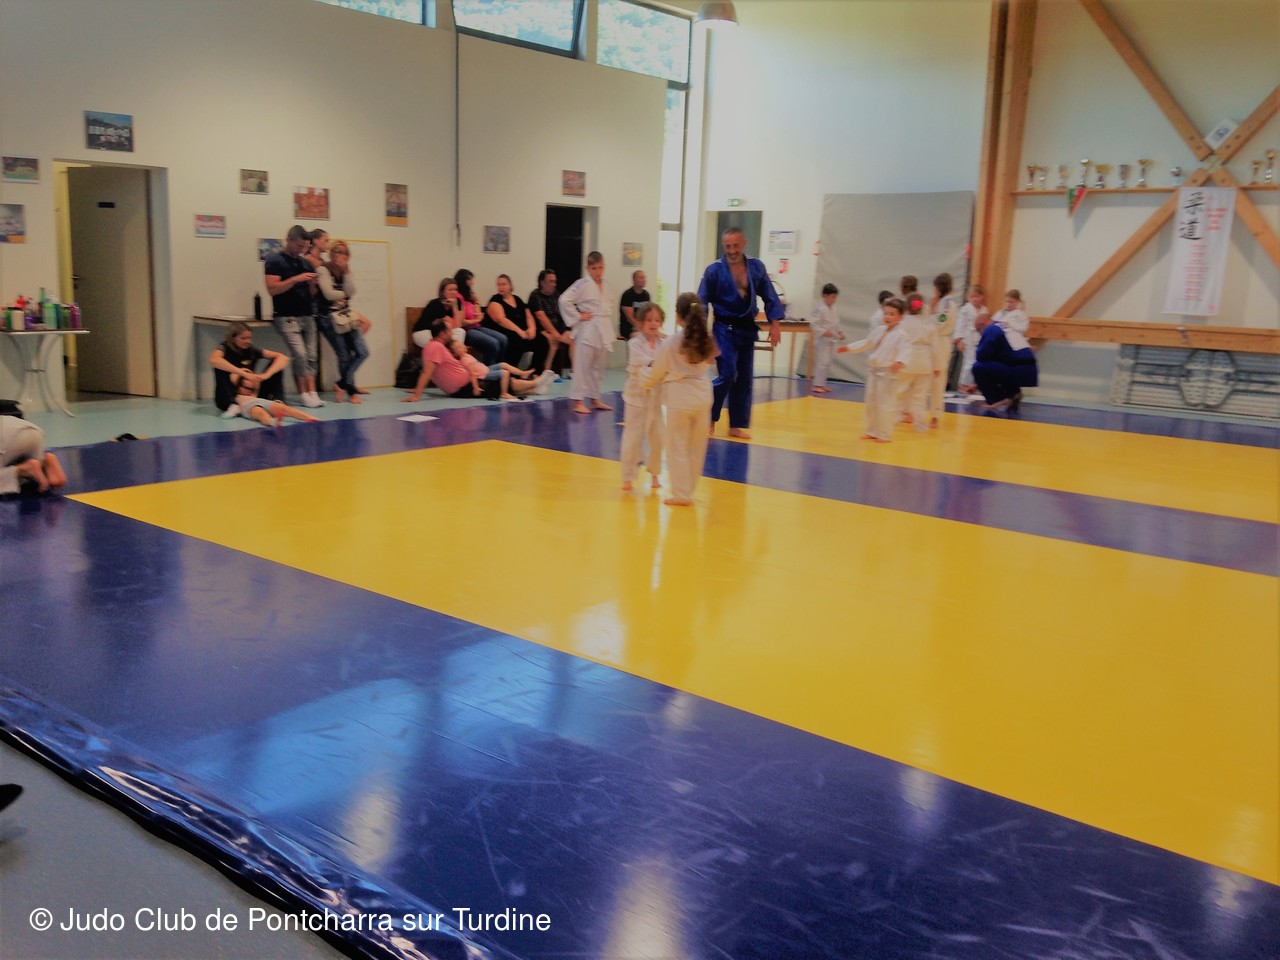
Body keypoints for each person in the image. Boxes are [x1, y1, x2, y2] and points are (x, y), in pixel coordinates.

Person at [697, 227, 785, 439]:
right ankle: (709, 415)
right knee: (728, 374)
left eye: (736, 246)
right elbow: (701, 302)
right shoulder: (714, 270)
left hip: (746, 327)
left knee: (744, 378)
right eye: (728, 246)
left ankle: (736, 425)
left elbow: (770, 295)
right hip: (723, 328)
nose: (732, 250)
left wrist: (775, 324)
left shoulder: (756, 267)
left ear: (744, 244)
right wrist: (702, 335)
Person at [645, 294, 717, 506]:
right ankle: (688, 491)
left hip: (679, 397)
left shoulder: (672, 342)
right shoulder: (706, 339)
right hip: (703, 395)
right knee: (697, 448)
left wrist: (643, 380)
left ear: (678, 316)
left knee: (677, 446)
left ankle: (681, 493)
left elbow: (657, 372)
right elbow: (712, 363)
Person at [263, 224, 323, 407]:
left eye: (304, 247)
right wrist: (295, 279)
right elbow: (272, 289)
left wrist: (312, 284)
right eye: (298, 246)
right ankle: (303, 393)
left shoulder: (305, 263)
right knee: (300, 354)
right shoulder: (274, 261)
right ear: (288, 240)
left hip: (307, 314)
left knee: (312, 355)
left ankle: (313, 391)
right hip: (286, 315)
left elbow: (312, 294)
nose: (301, 250)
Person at [838, 297, 910, 442]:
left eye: (892, 314)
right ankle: (872, 431)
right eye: (886, 313)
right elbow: (867, 343)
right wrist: (849, 347)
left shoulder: (902, 335)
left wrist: (899, 362)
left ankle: (884, 434)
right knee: (871, 402)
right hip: (874, 371)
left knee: (885, 404)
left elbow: (906, 351)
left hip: (888, 373)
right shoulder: (879, 330)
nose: (887, 317)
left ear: (901, 317)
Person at [560, 251, 616, 414]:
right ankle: (578, 401)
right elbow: (564, 300)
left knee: (598, 367)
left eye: (600, 267)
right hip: (588, 328)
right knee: (582, 366)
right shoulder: (582, 283)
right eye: (594, 268)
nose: (598, 272)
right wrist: (578, 316)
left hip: (603, 328)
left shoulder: (606, 284)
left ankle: (595, 398)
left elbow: (609, 304)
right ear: (588, 268)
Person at [316, 240, 372, 403]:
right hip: (329, 317)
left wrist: (346, 272)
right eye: (339, 251)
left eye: (346, 253)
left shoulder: (346, 271)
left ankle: (341, 383)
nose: (343, 255)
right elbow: (328, 294)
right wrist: (345, 294)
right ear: (332, 253)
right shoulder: (323, 269)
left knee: (362, 351)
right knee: (343, 355)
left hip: (346, 315)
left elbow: (352, 291)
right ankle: (351, 391)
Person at [619, 302, 667, 492]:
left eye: (657, 320)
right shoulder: (635, 344)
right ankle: (628, 477)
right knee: (633, 438)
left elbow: (667, 363)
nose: (653, 323)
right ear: (640, 323)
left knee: (658, 438)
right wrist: (661, 364)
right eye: (649, 320)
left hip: (655, 399)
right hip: (636, 398)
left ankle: (655, 474)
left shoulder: (664, 344)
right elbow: (646, 364)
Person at [208, 321, 289, 418]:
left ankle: (278, 401)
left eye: (249, 338)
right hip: (230, 395)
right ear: (233, 338)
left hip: (252, 393)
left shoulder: (251, 350)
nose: (248, 341)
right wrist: (243, 373)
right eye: (243, 338)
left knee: (276, 366)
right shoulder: (224, 348)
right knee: (219, 366)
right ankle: (232, 405)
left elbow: (283, 358)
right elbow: (213, 360)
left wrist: (266, 375)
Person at [972, 309, 1038, 413]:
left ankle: (996, 399)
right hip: (1029, 370)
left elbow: (981, 355)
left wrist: (978, 382)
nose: (980, 334)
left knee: (978, 367)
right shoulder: (1004, 326)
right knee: (998, 364)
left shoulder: (991, 329)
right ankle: (1013, 394)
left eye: (978, 330)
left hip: (1017, 369)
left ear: (982, 324)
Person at [402, 319, 484, 402]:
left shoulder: (436, 346)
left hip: (469, 382)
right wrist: (416, 396)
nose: (452, 333)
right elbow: (426, 372)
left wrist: (417, 389)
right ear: (442, 334)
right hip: (467, 386)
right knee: (492, 382)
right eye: (450, 330)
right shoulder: (435, 346)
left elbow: (429, 371)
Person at [485, 274, 550, 372]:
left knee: (542, 340)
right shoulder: (495, 300)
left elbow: (528, 315)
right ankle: (512, 373)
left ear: (510, 285)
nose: (501, 287)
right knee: (516, 342)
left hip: (522, 331)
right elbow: (500, 319)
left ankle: (534, 371)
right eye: (499, 285)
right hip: (506, 331)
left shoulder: (517, 299)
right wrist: (520, 332)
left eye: (503, 284)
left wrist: (532, 329)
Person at [453, 340, 554, 401]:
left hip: (486, 368)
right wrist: (476, 388)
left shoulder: (467, 355)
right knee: (504, 373)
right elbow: (472, 374)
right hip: (484, 374)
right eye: (458, 347)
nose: (462, 346)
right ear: (455, 353)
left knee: (503, 364)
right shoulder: (465, 360)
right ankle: (504, 393)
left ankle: (523, 373)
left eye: (461, 344)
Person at [224, 370, 321, 426]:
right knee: (260, 413)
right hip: (248, 407)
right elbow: (232, 377)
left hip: (262, 401)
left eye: (251, 389)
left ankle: (309, 418)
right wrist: (244, 373)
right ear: (238, 387)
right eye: (246, 388)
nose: (249, 391)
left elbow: (256, 383)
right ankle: (271, 421)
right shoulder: (237, 397)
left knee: (285, 409)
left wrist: (252, 376)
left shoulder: (254, 394)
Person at [1, 416, 66, 496]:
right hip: (34, 432)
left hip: (8, 439)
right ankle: (44, 464)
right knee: (33, 475)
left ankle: (23, 470)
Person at [896, 294, 933, 433]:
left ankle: (893, 419)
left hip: (908, 360)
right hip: (925, 362)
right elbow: (934, 343)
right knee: (920, 397)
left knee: (898, 391)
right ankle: (921, 425)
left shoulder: (903, 323)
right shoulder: (927, 323)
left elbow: (897, 342)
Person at [454, 268, 506, 364]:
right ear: (463, 281)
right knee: (493, 343)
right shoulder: (458, 297)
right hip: (467, 330)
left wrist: (477, 304)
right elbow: (462, 322)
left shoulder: (470, 295)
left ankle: (499, 367)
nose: (472, 282)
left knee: (503, 339)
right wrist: (477, 320)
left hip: (477, 327)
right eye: (470, 279)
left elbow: (478, 313)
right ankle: (487, 369)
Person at [529, 269, 572, 378]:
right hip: (541, 329)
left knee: (574, 338)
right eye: (551, 281)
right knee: (552, 340)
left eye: (555, 281)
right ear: (542, 283)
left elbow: (563, 311)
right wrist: (554, 333)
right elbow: (541, 317)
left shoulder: (556, 294)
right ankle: (545, 371)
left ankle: (574, 371)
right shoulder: (535, 295)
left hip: (558, 327)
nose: (554, 284)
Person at [928, 272, 958, 427]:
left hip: (940, 343)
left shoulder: (947, 304)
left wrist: (932, 312)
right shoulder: (942, 302)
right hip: (935, 341)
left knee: (938, 380)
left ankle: (936, 416)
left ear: (939, 287)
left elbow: (940, 323)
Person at [809, 283, 846, 394]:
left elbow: (836, 323)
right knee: (822, 362)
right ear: (824, 296)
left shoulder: (834, 309)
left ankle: (822, 384)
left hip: (831, 339)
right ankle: (817, 385)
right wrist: (824, 332)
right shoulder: (820, 309)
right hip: (823, 340)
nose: (834, 300)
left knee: (828, 362)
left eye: (835, 297)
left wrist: (840, 332)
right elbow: (814, 324)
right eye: (832, 297)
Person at [952, 284, 988, 396]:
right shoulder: (965, 309)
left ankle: (974, 385)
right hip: (968, 339)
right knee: (969, 363)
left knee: (979, 363)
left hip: (980, 339)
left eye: (977, 296)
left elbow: (986, 325)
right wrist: (959, 340)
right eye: (973, 296)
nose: (975, 299)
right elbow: (960, 325)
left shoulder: (984, 309)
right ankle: (963, 385)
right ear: (968, 297)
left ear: (982, 296)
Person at [413, 277, 465, 348]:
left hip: (444, 332)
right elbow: (434, 325)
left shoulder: (457, 302)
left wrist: (454, 306)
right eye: (450, 290)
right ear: (442, 292)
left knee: (460, 331)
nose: (454, 292)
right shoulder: (434, 304)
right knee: (440, 340)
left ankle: (454, 351)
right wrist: (447, 323)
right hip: (425, 331)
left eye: (456, 290)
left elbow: (458, 325)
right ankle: (450, 352)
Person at [618, 270, 650, 341]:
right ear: (634, 280)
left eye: (644, 277)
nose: (644, 280)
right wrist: (643, 329)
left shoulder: (646, 295)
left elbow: (647, 314)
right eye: (641, 277)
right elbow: (630, 318)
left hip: (641, 328)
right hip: (628, 329)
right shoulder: (627, 295)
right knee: (640, 337)